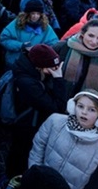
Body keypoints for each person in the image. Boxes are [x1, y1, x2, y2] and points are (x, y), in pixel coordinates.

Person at [28, 90, 98, 189]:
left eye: (92, 110)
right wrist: (34, 175)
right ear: (73, 106)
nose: (84, 112)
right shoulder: (55, 121)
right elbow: (38, 148)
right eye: (80, 106)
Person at [5, 44, 67, 178]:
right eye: (51, 68)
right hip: (26, 126)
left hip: (29, 123)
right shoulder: (28, 83)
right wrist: (58, 78)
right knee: (20, 157)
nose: (55, 70)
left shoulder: (29, 72)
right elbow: (57, 108)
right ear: (39, 66)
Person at [53, 19, 98, 99]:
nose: (94, 41)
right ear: (83, 33)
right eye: (91, 36)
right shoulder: (63, 47)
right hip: (57, 100)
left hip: (89, 106)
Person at [0, 0, 59, 69]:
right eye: (33, 13)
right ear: (27, 14)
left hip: (36, 64)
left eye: (38, 14)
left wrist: (40, 50)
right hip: (15, 62)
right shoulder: (17, 23)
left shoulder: (46, 27)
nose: (35, 16)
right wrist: (21, 45)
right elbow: (4, 39)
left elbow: (54, 43)